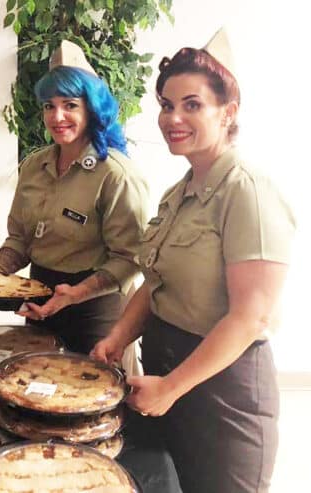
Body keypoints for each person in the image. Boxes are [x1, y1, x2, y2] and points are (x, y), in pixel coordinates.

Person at [91, 29, 294, 493]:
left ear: (229, 112)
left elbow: (250, 316)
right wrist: (117, 337)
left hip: (223, 390)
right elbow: (155, 282)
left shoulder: (249, 191)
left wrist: (172, 387)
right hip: (164, 368)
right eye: (166, 104)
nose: (173, 117)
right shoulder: (177, 194)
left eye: (192, 104)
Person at [0, 40, 149, 354]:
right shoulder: (35, 166)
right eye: (49, 105)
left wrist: (75, 294)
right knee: (33, 387)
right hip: (40, 300)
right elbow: (20, 238)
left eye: (70, 105)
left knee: (82, 397)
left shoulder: (116, 175)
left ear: (92, 107)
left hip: (95, 312)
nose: (57, 116)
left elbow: (131, 258)